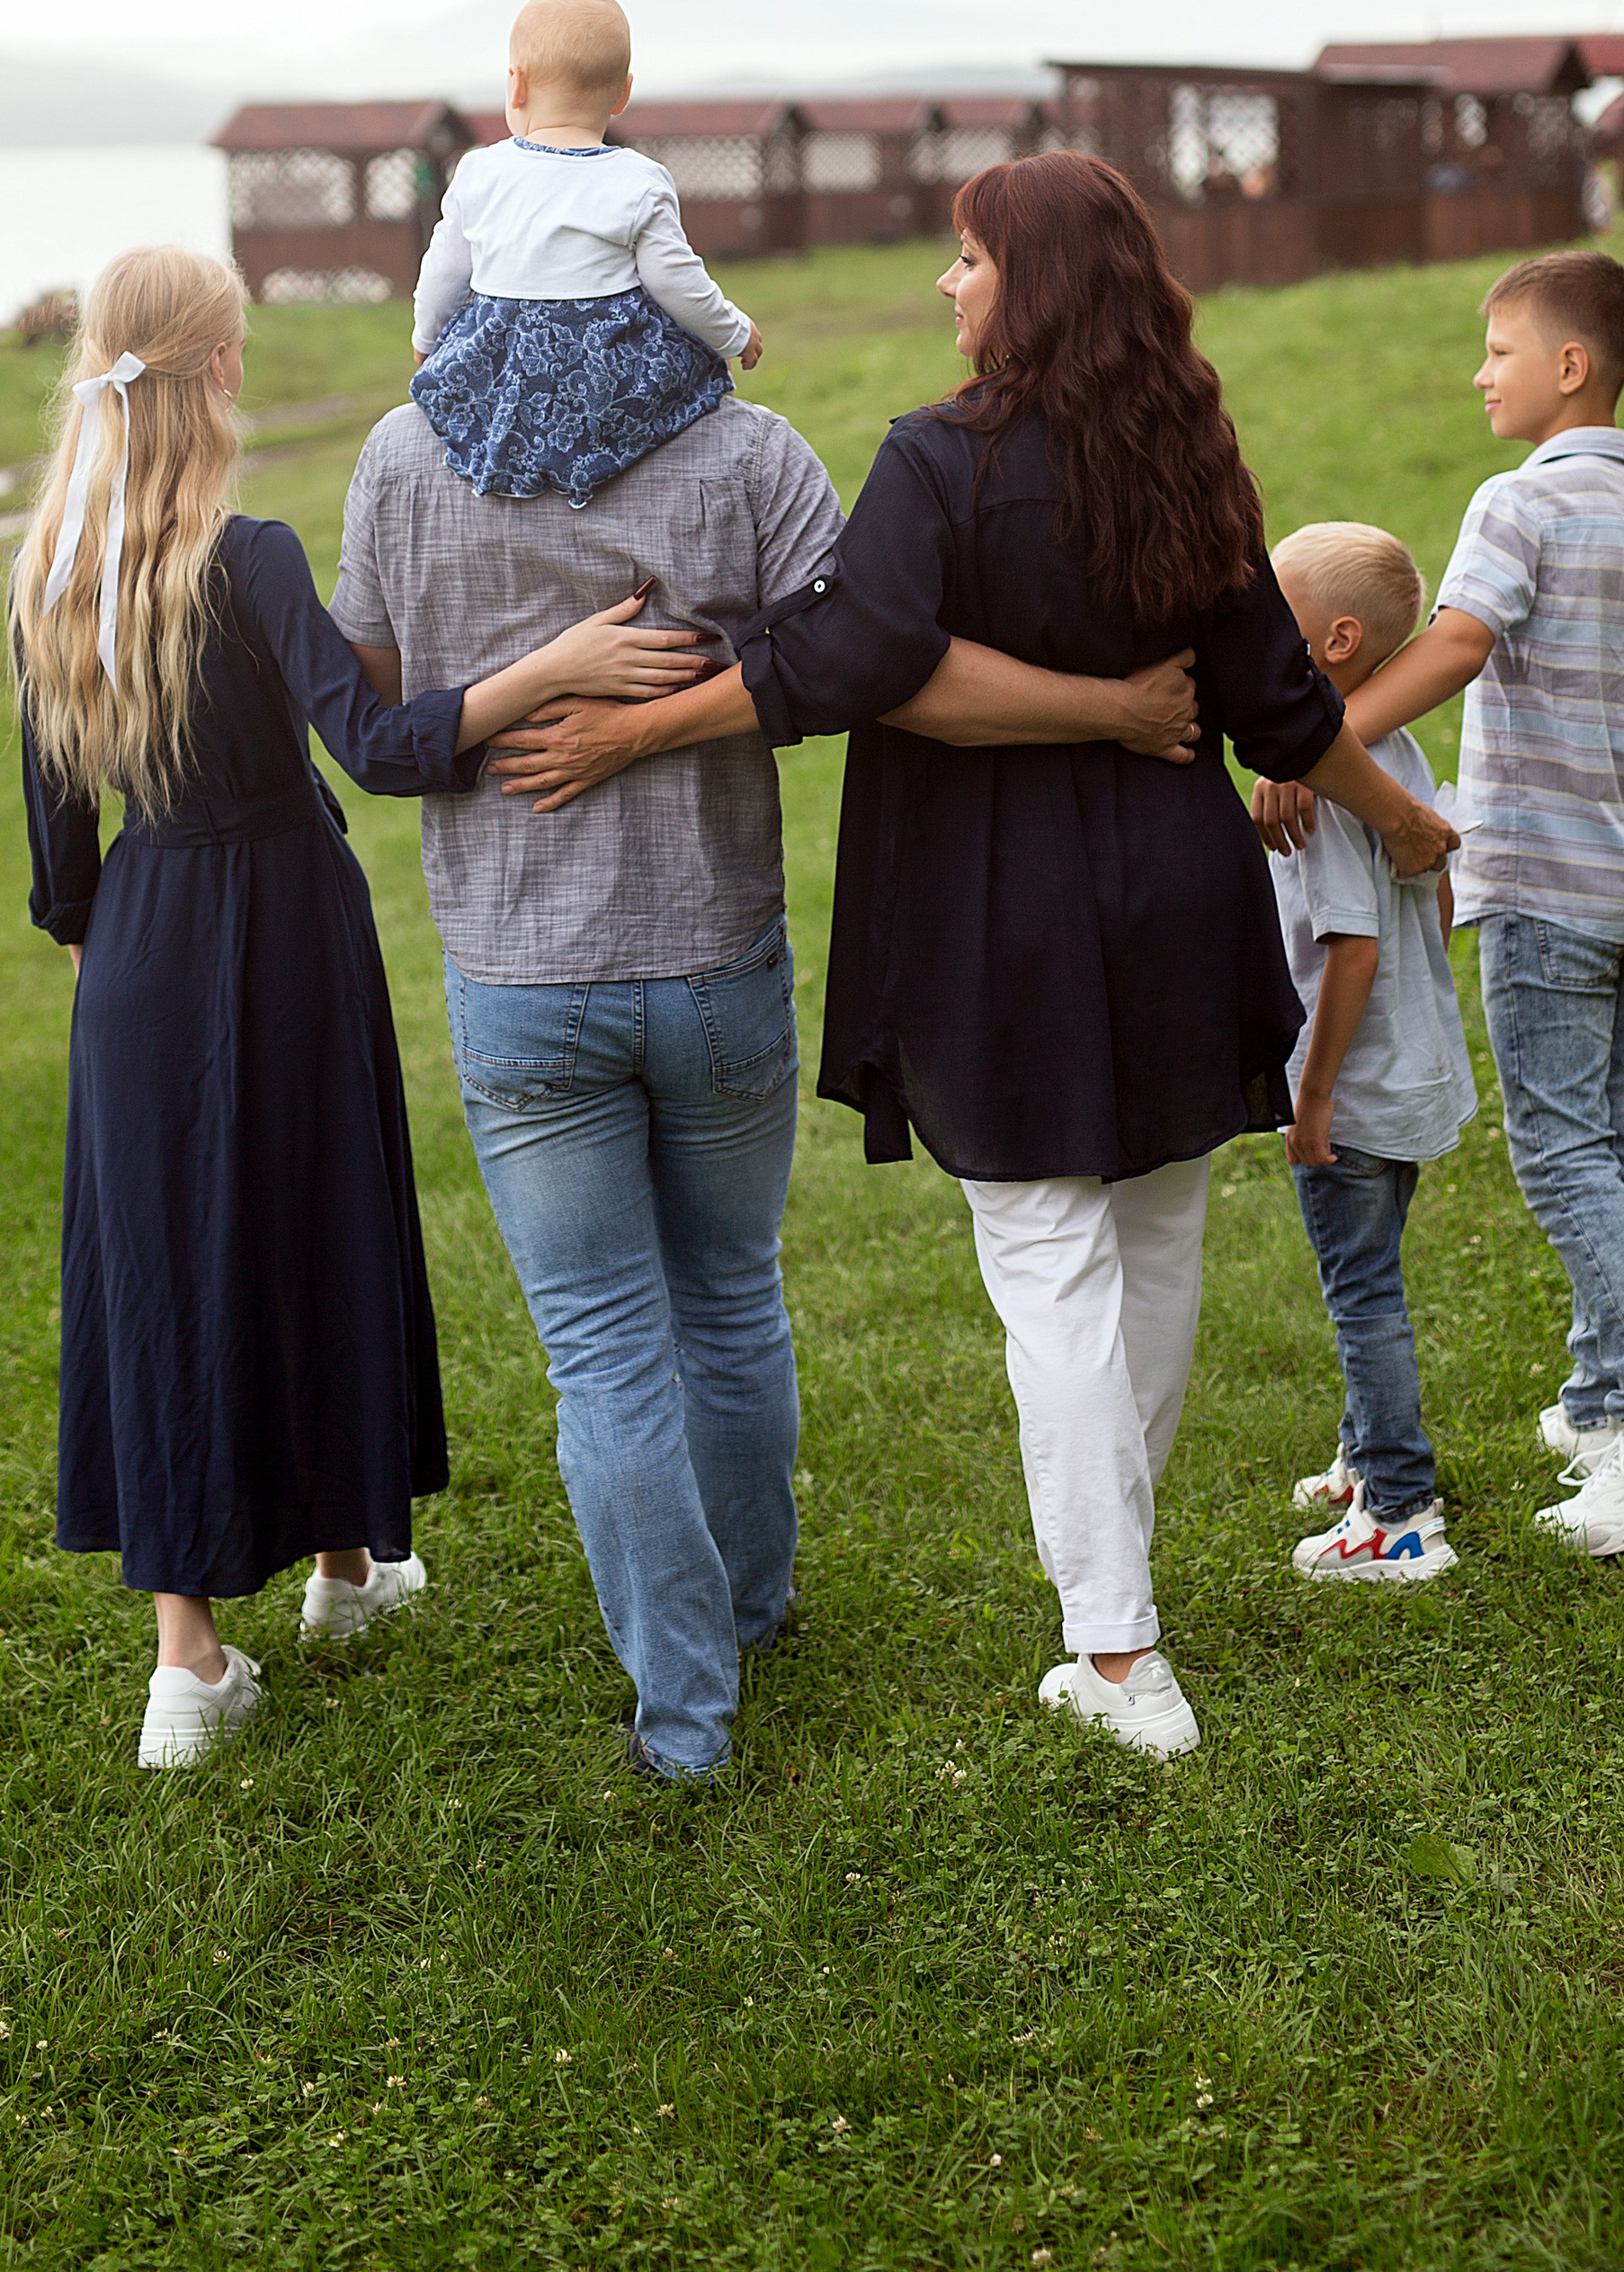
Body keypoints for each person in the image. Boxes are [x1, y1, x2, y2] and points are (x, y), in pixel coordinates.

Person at [491, 154, 1458, 1761]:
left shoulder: (935, 463)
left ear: (1033, 282)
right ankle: (1119, 1606)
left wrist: (639, 727)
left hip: (999, 911)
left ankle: (1122, 1651)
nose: (949, 285)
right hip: (1173, 891)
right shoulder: (1192, 456)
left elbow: (858, 658)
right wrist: (1400, 819)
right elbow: (1281, 705)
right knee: (1150, 1245)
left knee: (1053, 1274)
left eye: (966, 258)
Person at [330, 350, 1201, 1783]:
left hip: (520, 972)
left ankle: (687, 1717)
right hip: (712, 956)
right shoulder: (744, 451)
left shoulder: (398, 455)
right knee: (730, 1298)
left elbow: (382, 707)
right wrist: (1106, 709)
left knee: (604, 1349)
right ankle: (751, 1607)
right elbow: (872, 655)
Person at [13, 245, 710, 1771]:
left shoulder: (55, 573)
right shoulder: (247, 555)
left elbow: (58, 866)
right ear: (213, 371)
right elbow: (386, 748)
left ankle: (193, 1658)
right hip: (278, 932)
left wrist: (116, 971)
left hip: (138, 954)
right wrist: (564, 663)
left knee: (168, 1264)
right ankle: (339, 1566)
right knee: (312, 1220)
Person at [1256, 247, 1624, 1559]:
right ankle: (1605, 1397)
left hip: (1544, 886)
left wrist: (1315, 751)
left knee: (1561, 1152)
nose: (1481, 373)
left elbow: (1461, 645)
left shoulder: (1513, 507)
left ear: (1569, 366)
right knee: (1621, 1137)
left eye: (1497, 351)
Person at [1265, 522, 1478, 1588]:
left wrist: (1313, 1099)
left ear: (1337, 642)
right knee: (1374, 1271)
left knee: (1361, 1292)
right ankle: (1363, 1457)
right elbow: (1432, 896)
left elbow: (1349, 949)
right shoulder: (1393, 750)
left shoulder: (1336, 786)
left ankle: (1400, 1513)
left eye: (1277, 610)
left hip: (1352, 1089)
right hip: (1416, 1067)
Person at [408, 0, 762, 507]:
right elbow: (677, 282)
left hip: (502, 363)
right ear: (623, 92)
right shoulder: (639, 179)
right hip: (606, 378)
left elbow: (442, 274)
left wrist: (426, 339)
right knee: (689, 371)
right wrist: (735, 333)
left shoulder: (480, 171)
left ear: (517, 84)